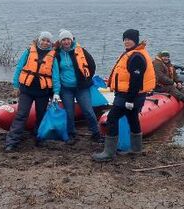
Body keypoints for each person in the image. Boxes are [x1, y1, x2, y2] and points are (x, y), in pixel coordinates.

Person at [93, 29, 156, 162]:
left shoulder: (136, 57)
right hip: (131, 95)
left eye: (129, 39)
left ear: (135, 41)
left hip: (129, 96)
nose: (126, 42)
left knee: (111, 118)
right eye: (125, 39)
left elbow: (136, 80)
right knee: (133, 118)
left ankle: (109, 153)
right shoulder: (132, 53)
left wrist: (130, 100)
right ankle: (136, 149)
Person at [4, 32, 60, 152]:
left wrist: (56, 92)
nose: (45, 43)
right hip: (26, 90)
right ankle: (12, 142)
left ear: (50, 43)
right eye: (43, 40)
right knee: (21, 114)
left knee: (41, 115)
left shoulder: (53, 56)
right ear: (39, 40)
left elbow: (55, 76)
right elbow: (19, 68)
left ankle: (39, 138)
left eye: (48, 41)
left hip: (43, 92)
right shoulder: (29, 52)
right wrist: (15, 86)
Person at [52, 29, 102, 144]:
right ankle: (71, 134)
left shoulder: (80, 51)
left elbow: (92, 65)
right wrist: (56, 91)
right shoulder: (57, 54)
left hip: (81, 88)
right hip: (66, 89)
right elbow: (54, 73)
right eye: (63, 40)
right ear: (60, 42)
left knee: (88, 111)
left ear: (72, 39)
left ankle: (96, 133)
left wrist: (87, 79)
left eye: (68, 39)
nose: (66, 42)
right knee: (69, 112)